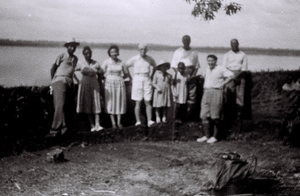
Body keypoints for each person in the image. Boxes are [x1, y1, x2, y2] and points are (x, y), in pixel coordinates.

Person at [197, 54, 233, 144]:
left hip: (216, 92)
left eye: (212, 60)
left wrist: (224, 83)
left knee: (215, 116)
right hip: (206, 92)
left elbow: (231, 75)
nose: (210, 62)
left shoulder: (220, 68)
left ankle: (215, 136)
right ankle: (207, 135)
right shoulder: (207, 69)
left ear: (216, 61)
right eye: (209, 60)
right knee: (203, 115)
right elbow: (202, 76)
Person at [48, 38, 79, 137]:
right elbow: (53, 68)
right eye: (70, 45)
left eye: (74, 46)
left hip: (70, 82)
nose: (72, 48)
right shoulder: (61, 54)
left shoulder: (75, 58)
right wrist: (52, 82)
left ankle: (66, 130)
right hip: (59, 80)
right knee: (60, 105)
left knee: (70, 106)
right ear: (67, 46)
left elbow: (71, 72)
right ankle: (54, 130)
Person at [125, 43, 156, 127]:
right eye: (141, 49)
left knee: (148, 101)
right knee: (138, 102)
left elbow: (155, 66)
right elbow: (125, 66)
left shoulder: (150, 59)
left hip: (147, 79)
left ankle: (149, 121)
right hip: (137, 79)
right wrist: (130, 77)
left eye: (144, 49)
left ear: (147, 50)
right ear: (138, 50)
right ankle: (138, 121)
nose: (143, 51)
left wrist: (152, 76)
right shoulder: (134, 59)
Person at [76, 46, 104, 132]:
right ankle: (92, 125)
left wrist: (100, 85)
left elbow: (101, 74)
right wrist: (77, 81)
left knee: (96, 102)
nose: (88, 55)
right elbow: (72, 70)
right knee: (87, 103)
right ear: (83, 55)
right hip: (84, 84)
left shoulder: (96, 63)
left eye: (89, 53)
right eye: (86, 54)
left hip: (94, 84)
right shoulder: (81, 63)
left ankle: (97, 124)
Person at [102, 45, 130, 128]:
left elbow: (126, 74)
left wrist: (124, 80)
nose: (114, 53)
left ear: (118, 52)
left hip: (119, 84)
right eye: (112, 52)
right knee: (111, 102)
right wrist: (105, 79)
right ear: (109, 53)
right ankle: (113, 123)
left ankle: (119, 122)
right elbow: (101, 72)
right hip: (109, 84)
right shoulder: (106, 62)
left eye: (115, 52)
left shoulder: (121, 62)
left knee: (119, 102)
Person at [222, 39, 248, 116]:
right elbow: (224, 68)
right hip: (229, 75)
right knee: (229, 93)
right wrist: (231, 76)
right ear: (230, 45)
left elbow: (244, 68)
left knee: (240, 94)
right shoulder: (226, 55)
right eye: (232, 44)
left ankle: (239, 112)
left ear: (238, 44)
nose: (234, 45)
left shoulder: (243, 54)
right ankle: (229, 111)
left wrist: (237, 76)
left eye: (235, 44)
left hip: (240, 74)